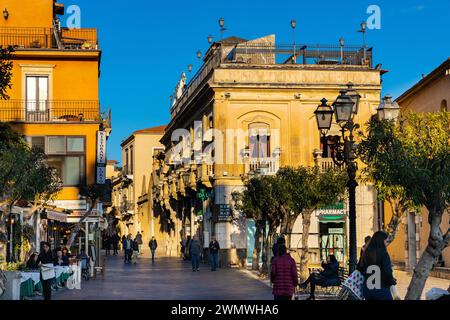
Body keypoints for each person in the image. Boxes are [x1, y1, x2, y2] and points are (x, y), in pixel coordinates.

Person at [360, 231, 396, 300]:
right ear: (381, 241)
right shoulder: (384, 254)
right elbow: (387, 272)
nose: (386, 243)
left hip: (367, 289)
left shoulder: (365, 253)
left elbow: (360, 269)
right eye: (386, 241)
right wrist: (392, 281)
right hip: (381, 289)